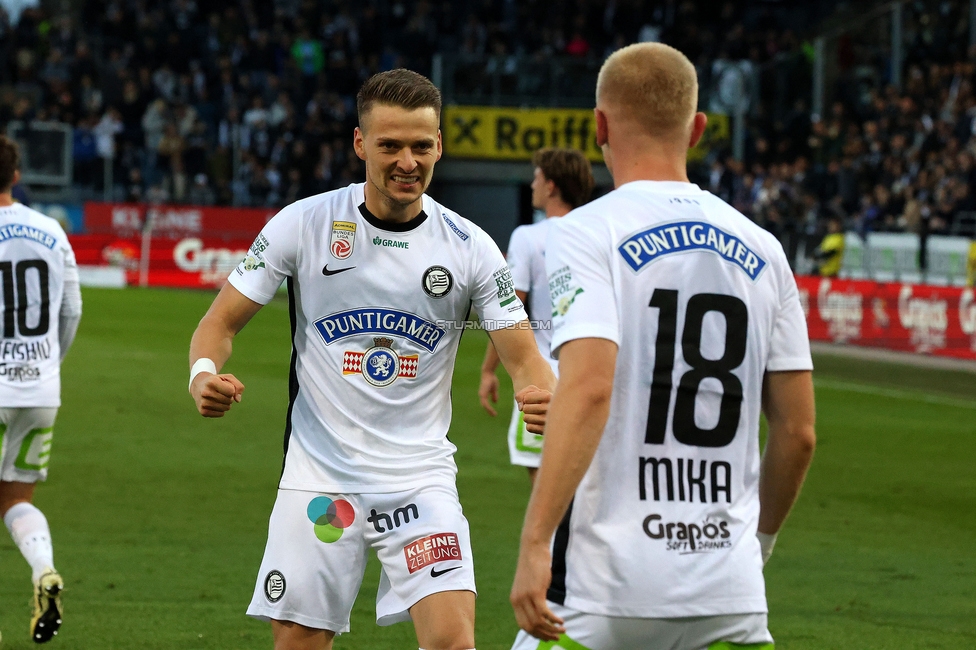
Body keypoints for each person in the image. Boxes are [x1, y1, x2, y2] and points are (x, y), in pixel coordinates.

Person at [188, 69, 555, 650]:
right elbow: (219, 323)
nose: (407, 160)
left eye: (421, 145)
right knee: (300, 644)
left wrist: (539, 391)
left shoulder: (469, 246)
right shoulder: (304, 224)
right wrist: (203, 374)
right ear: (361, 144)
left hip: (419, 482)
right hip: (320, 479)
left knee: (453, 643)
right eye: (390, 145)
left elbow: (526, 356)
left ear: (440, 145)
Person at [509, 43, 816, 649]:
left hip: (606, 595)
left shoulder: (584, 232)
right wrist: (758, 545)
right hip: (731, 599)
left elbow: (592, 386)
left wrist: (535, 540)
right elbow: (798, 432)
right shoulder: (765, 249)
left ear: (598, 125)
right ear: (698, 128)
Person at [0, 134, 82, 644]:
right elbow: (71, 311)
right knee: (16, 498)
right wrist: (49, 364)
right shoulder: (50, 228)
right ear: (15, 175)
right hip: (39, 389)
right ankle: (43, 569)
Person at [478, 148, 594, 483]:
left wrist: (488, 370)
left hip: (541, 381)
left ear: (552, 185)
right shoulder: (597, 234)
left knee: (546, 500)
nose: (532, 184)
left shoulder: (527, 236)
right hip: (589, 377)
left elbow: (509, 311)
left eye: (537, 177)